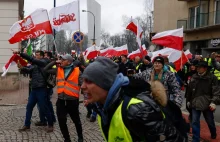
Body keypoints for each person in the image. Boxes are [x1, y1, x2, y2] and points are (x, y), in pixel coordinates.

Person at [81, 57, 185, 142]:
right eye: (83, 80)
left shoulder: (136, 110)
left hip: (161, 101)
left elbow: (172, 139)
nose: (82, 86)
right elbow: (135, 77)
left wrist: (175, 104)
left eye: (89, 81)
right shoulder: (102, 107)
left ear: (104, 84)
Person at [44, 54, 83, 142]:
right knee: (61, 121)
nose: (61, 61)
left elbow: (83, 84)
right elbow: (45, 70)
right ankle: (67, 139)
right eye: (61, 59)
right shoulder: (58, 70)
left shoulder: (77, 71)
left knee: (76, 120)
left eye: (63, 60)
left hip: (72, 100)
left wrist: (87, 97)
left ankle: (80, 137)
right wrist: (54, 61)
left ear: (69, 61)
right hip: (61, 100)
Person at [15, 50, 54, 132]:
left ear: (42, 56)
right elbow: (29, 70)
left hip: (41, 89)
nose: (36, 56)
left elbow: (32, 60)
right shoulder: (35, 65)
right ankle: (27, 125)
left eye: (38, 55)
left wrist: (21, 53)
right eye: (36, 55)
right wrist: (22, 68)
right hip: (34, 89)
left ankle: (50, 124)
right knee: (29, 107)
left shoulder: (44, 62)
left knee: (44, 107)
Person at [186, 61, 219, 141]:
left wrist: (213, 102)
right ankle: (195, 139)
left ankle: (213, 133)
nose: (198, 69)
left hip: (207, 104)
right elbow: (189, 90)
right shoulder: (194, 76)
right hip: (195, 103)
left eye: (200, 67)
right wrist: (188, 100)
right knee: (194, 122)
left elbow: (216, 92)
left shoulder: (212, 78)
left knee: (210, 121)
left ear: (205, 68)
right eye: (197, 67)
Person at [35, 51, 56, 126]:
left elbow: (47, 72)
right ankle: (50, 118)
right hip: (46, 85)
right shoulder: (48, 62)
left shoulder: (48, 62)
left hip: (47, 86)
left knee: (44, 104)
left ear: (48, 57)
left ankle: (45, 120)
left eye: (45, 56)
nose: (44, 57)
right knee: (47, 103)